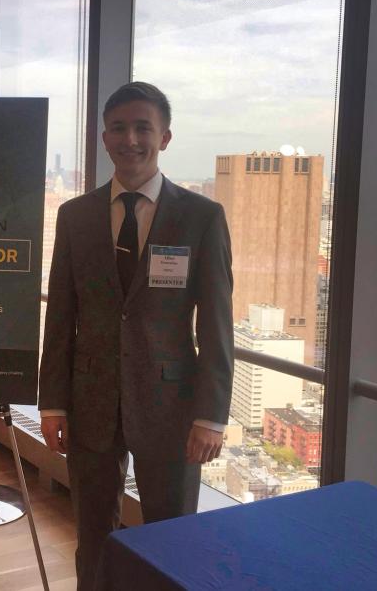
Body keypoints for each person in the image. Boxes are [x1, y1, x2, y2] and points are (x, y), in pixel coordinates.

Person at [38, 82, 234, 590]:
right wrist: (53, 403)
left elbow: (216, 325)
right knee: (93, 536)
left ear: (164, 137)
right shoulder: (75, 217)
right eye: (119, 128)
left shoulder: (201, 217)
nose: (131, 139)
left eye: (142, 128)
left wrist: (211, 416)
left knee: (172, 538)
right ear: (104, 138)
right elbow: (60, 316)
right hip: (89, 400)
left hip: (172, 406)